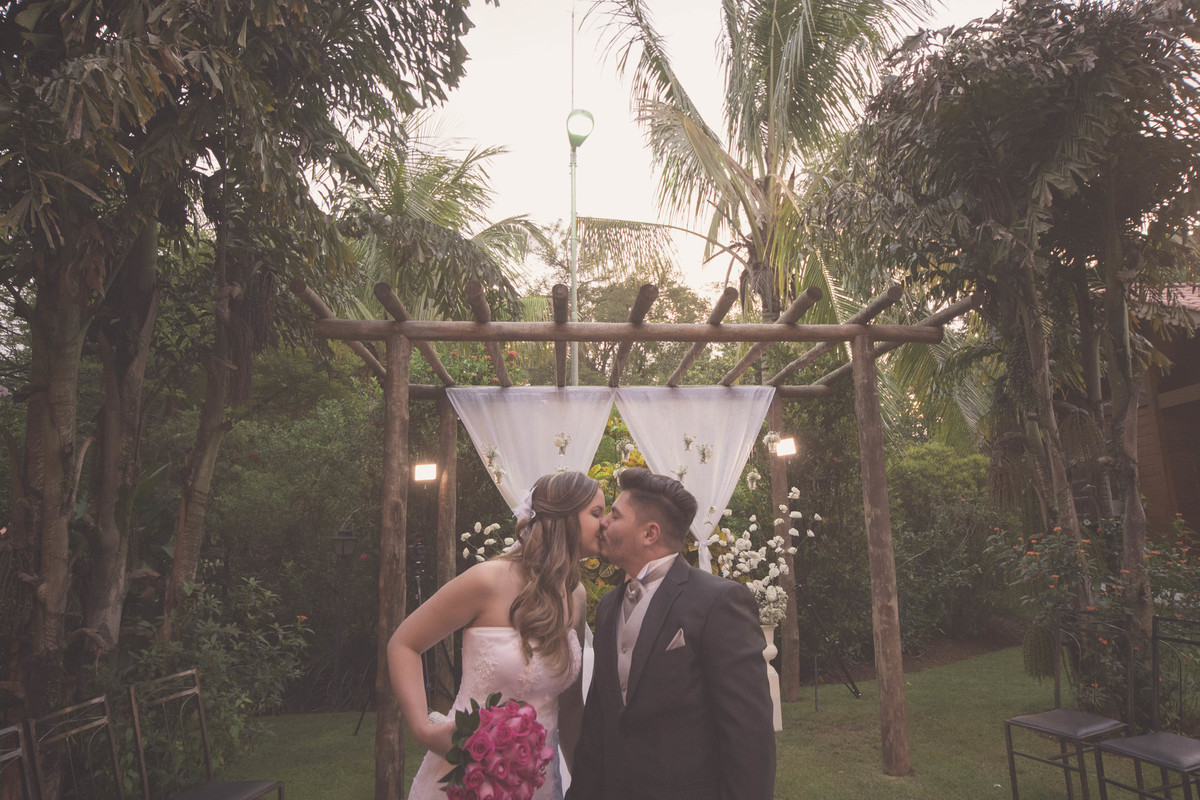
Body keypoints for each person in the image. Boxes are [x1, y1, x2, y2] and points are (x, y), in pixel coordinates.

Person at [388, 470, 606, 800]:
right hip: (468, 778)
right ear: (564, 516)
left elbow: (571, 708)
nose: (605, 523)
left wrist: (585, 785)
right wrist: (423, 729)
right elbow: (403, 643)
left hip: (541, 785)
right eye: (597, 513)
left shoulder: (574, 595)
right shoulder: (486, 581)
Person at [566, 468, 775, 800]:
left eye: (615, 515)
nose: (603, 522)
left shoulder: (717, 602)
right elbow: (598, 723)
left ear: (650, 533)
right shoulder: (608, 606)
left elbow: (748, 737)